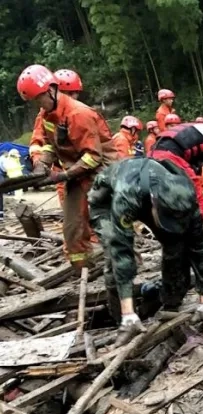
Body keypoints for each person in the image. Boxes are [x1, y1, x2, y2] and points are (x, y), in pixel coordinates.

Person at [88, 157, 203, 346]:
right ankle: (122, 318)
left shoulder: (186, 199)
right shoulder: (127, 196)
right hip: (107, 201)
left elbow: (199, 246)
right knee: (115, 259)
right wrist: (129, 314)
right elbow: (121, 252)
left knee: (176, 246)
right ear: (155, 205)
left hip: (151, 198)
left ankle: (171, 304)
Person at [17, 65, 119, 271]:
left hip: (102, 172)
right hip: (77, 172)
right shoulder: (47, 114)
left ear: (51, 90)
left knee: (104, 221)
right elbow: (49, 144)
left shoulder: (78, 114)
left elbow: (93, 157)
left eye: (38, 99)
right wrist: (42, 165)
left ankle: (127, 265)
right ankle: (82, 270)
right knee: (72, 228)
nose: (38, 105)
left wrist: (60, 176)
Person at [147, 123, 203, 219]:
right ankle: (201, 223)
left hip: (152, 154)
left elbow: (195, 168)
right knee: (194, 189)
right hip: (170, 155)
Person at [30, 68, 84, 206]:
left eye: (75, 93)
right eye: (68, 93)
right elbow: (38, 142)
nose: (72, 97)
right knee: (70, 210)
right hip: (61, 170)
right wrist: (39, 164)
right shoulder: (45, 116)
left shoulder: (79, 112)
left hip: (82, 170)